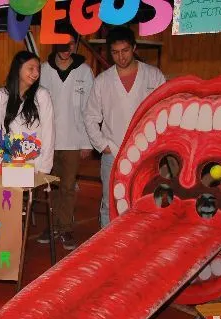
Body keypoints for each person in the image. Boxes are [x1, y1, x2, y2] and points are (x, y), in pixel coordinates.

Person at [85, 26, 166, 228]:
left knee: (144, 198)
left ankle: (140, 241)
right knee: (109, 201)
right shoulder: (103, 81)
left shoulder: (153, 76)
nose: (121, 57)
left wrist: (157, 142)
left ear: (134, 47)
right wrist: (103, 145)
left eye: (125, 51)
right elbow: (90, 116)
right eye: (115, 52)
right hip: (113, 151)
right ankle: (107, 245)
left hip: (146, 150)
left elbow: (164, 110)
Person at [39, 28, 94, 250]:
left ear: (76, 44)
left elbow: (89, 109)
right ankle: (51, 226)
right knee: (48, 187)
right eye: (62, 43)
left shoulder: (84, 71)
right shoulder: (43, 70)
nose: (66, 49)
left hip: (73, 140)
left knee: (68, 187)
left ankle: (65, 228)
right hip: (48, 141)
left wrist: (87, 143)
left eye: (70, 44)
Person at [0, 51, 55, 174]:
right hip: (7, 164)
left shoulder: (42, 95)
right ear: (18, 69)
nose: (36, 73)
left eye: (38, 69)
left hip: (34, 166)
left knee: (29, 193)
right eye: (31, 68)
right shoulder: (1, 95)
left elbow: (49, 134)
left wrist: (45, 168)